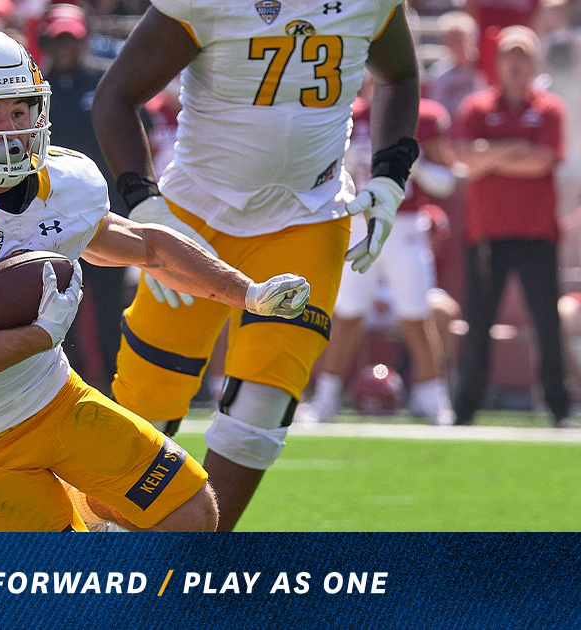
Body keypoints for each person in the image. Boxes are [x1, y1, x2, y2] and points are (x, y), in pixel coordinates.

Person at [0, 29, 311, 532]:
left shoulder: (65, 182)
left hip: (55, 400)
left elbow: (149, 247)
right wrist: (38, 336)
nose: (11, 131)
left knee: (189, 512)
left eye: (20, 111)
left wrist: (248, 293)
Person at [90, 0, 421, 530]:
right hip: (195, 219)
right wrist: (147, 206)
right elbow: (114, 97)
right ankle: (97, 555)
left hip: (307, 218)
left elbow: (401, 76)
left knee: (259, 414)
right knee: (145, 407)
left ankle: (192, 571)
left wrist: (389, 173)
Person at [304, 76, 459, 426]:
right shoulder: (347, 114)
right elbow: (317, 175)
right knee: (346, 316)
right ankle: (325, 400)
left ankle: (434, 400)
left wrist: (415, 167)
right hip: (358, 223)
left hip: (404, 226)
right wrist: (342, 164)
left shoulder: (425, 116)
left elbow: (447, 180)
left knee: (417, 317)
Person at [452, 26, 571, 428]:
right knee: (479, 321)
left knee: (546, 322)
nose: (516, 62)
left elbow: (542, 161)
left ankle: (560, 407)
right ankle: (465, 409)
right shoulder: (476, 107)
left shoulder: (551, 108)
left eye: (523, 54)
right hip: (487, 233)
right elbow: (465, 159)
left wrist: (492, 155)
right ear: (497, 61)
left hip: (538, 233)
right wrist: (516, 149)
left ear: (534, 61)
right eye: (509, 54)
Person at [38, 3, 131, 395]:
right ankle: (65, 391)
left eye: (70, 39)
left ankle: (117, 387)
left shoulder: (106, 82)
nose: (64, 48)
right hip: (50, 217)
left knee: (111, 309)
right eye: (58, 39)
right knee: (60, 311)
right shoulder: (34, 87)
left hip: (103, 214)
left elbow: (130, 139)